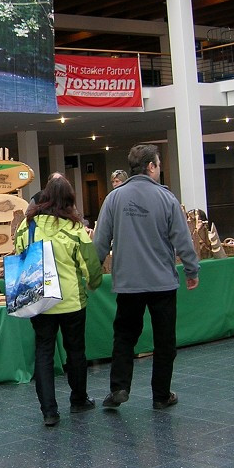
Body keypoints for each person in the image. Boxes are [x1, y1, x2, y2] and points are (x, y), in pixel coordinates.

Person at [92, 144, 200, 411]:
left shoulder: (114, 198)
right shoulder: (167, 198)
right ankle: (161, 395)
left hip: (128, 284)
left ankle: (119, 387)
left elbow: (100, 242)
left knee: (124, 336)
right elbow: (182, 239)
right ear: (151, 166)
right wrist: (191, 269)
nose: (159, 168)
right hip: (162, 281)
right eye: (159, 164)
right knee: (165, 340)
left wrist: (92, 273)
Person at [13, 175, 103, 427]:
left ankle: (49, 412)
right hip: (72, 302)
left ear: (46, 197)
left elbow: (19, 253)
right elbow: (91, 266)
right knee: (75, 351)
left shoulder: (28, 225)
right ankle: (78, 399)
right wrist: (93, 283)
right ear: (70, 200)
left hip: (39, 300)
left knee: (43, 352)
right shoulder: (75, 229)